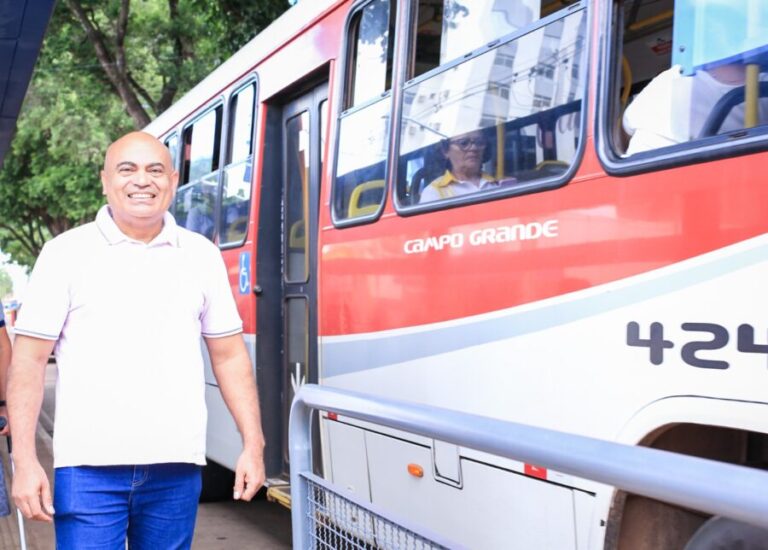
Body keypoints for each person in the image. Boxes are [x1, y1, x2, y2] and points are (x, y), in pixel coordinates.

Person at [7, 131, 265, 548]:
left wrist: (253, 444)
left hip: (176, 467)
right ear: (105, 180)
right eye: (127, 169)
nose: (142, 180)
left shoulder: (201, 255)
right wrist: (24, 460)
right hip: (87, 471)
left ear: (173, 180)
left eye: (155, 170)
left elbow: (230, 356)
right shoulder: (64, 254)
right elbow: (29, 361)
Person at [623, 63, 767, 155]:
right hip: (645, 180)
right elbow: (625, 132)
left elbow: (624, 133)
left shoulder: (671, 77)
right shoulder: (671, 79)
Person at [419, 129, 502, 203]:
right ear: (445, 150)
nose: (474, 148)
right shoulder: (433, 193)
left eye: (479, 142)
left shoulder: (499, 183)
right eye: (464, 143)